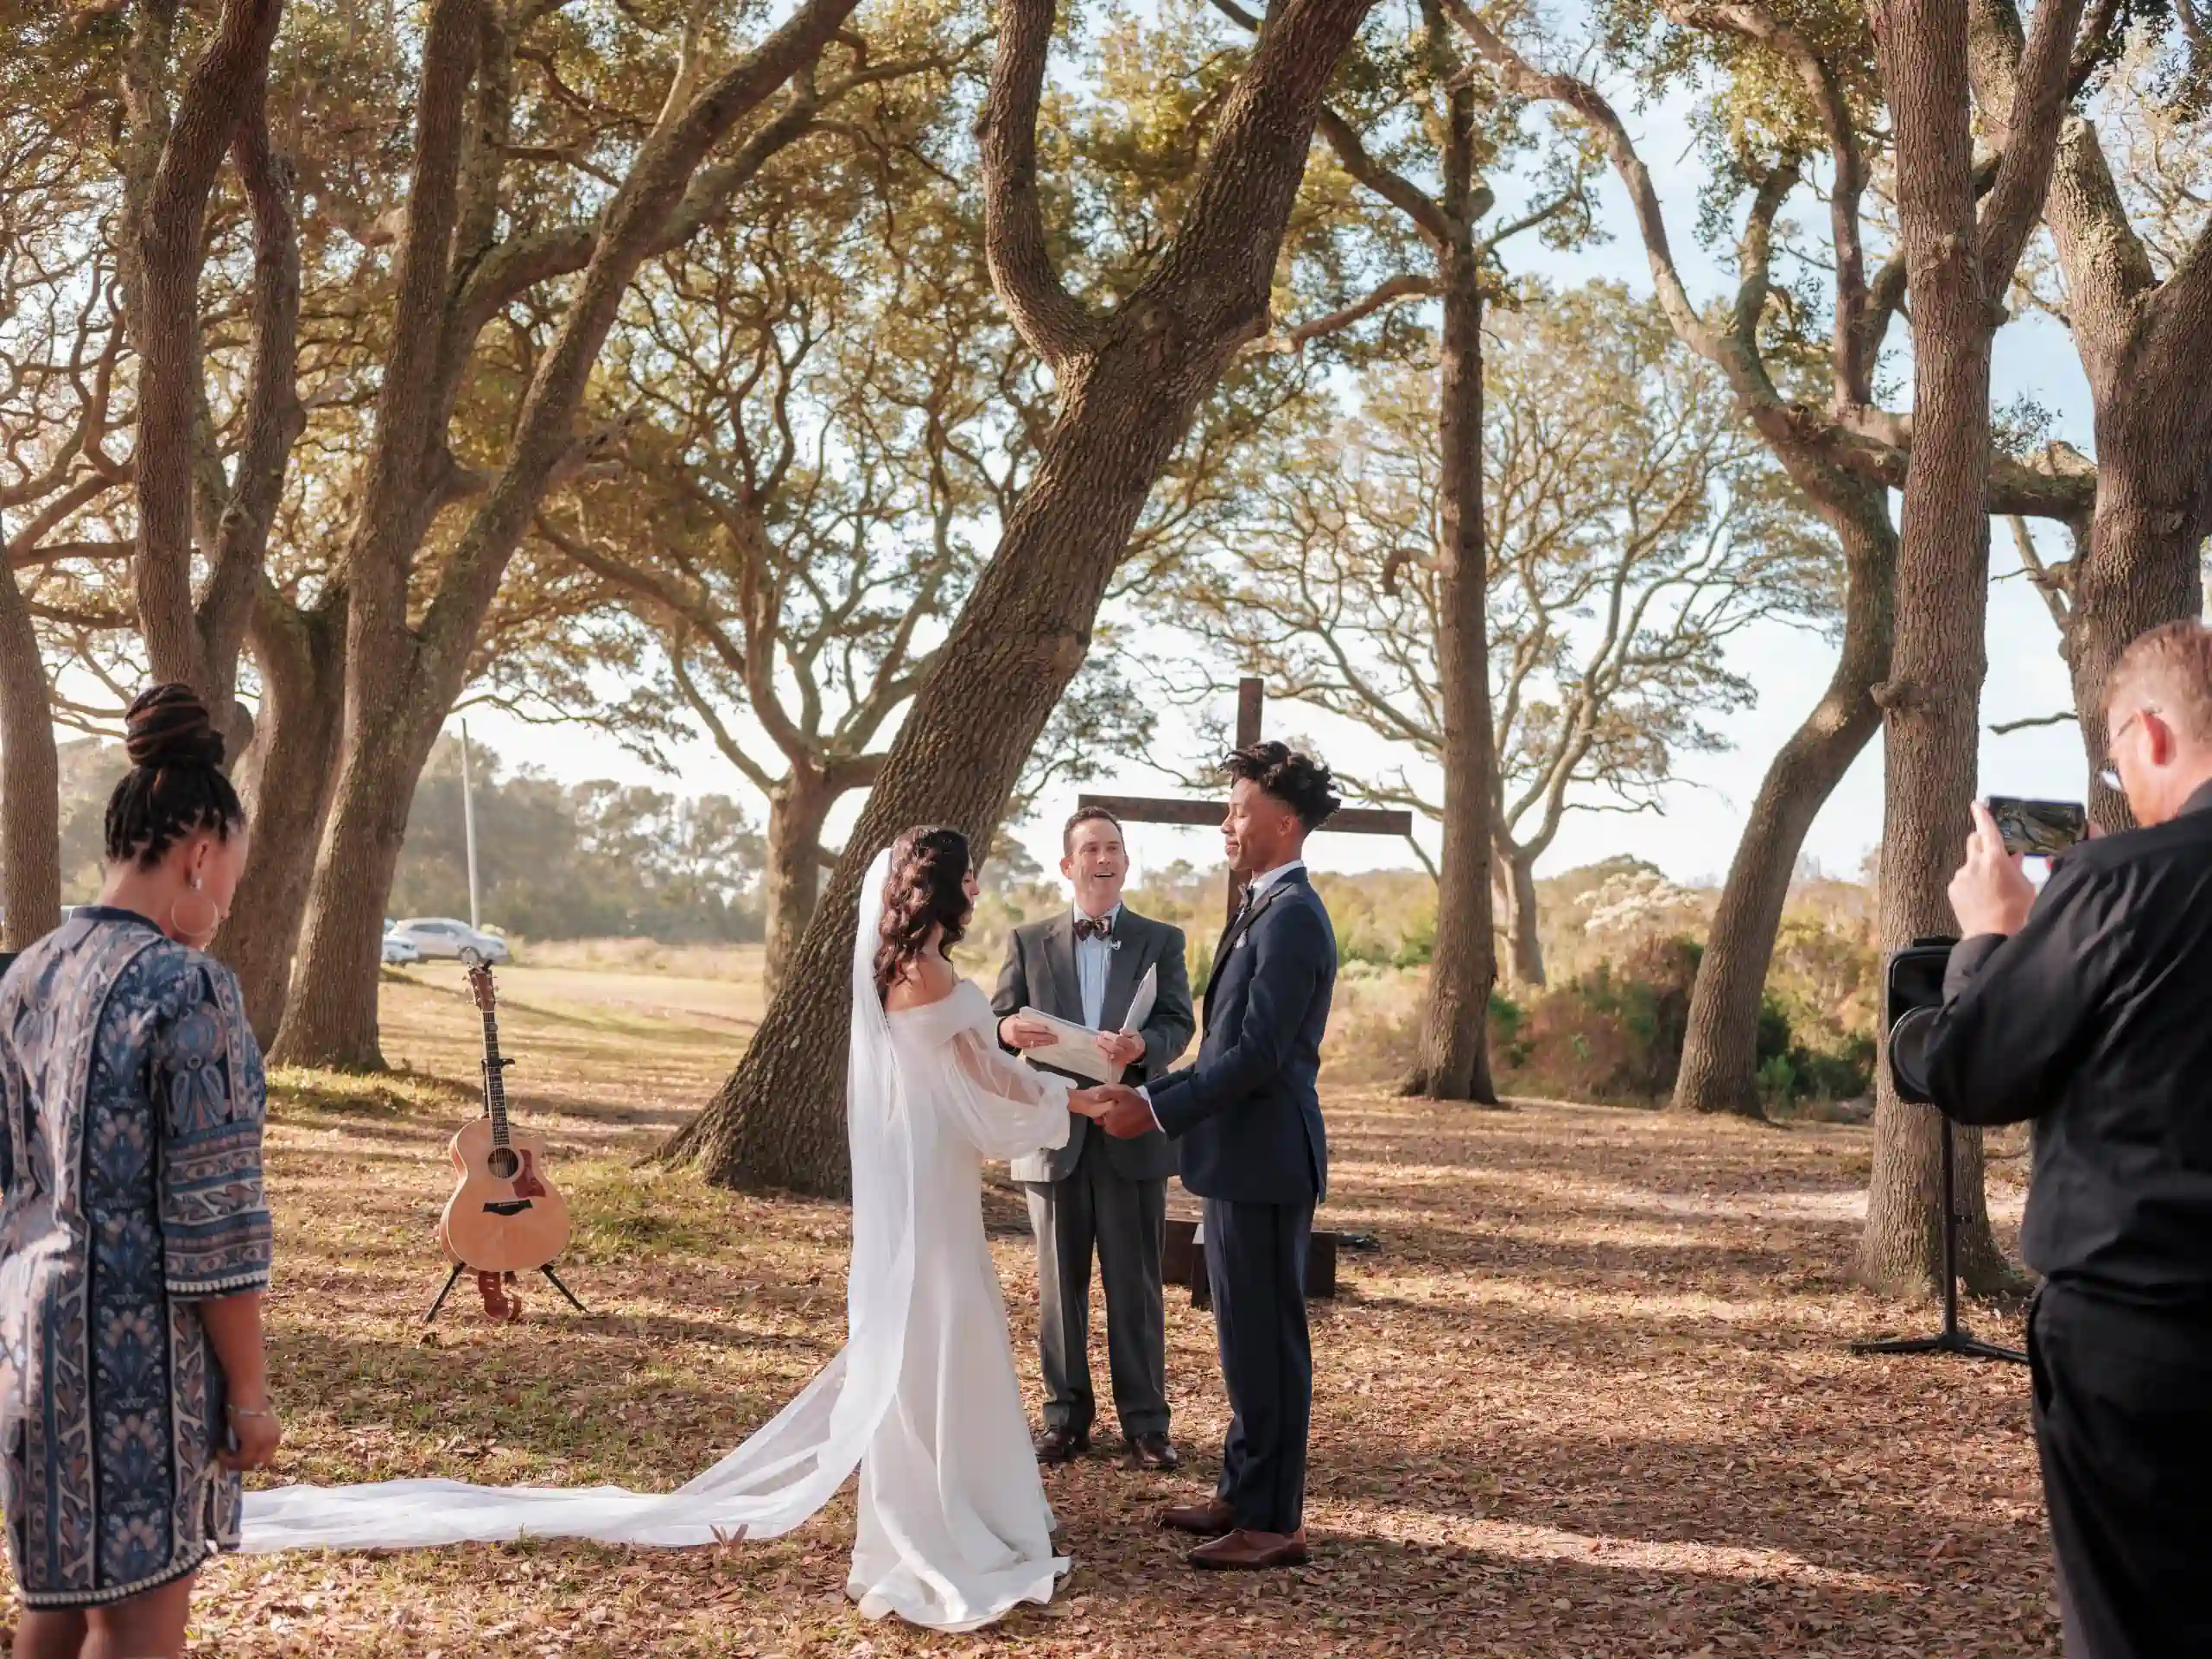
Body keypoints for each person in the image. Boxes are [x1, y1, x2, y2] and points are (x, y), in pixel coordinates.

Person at [241, 825, 1118, 1634]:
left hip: (926, 1167)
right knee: (947, 1324)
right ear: (939, 889)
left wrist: (1034, 1072)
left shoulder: (897, 970)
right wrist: (1071, 1096)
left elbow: (972, 1073)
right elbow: (987, 1087)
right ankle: (957, 1522)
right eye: (966, 870)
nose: (974, 881)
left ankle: (934, 1510)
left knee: (932, 1328)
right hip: (933, 1180)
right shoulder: (932, 978)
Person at [1927, 619, 2212, 1657]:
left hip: (2144, 1339)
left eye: (2114, 757)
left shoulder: (2118, 883)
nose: (2118, 782)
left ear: (2152, 733)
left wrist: (1994, 937)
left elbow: (1975, 1073)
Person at [1, 683, 279, 1659]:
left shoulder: (28, 972)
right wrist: (248, 1392)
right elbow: (217, 1218)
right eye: (230, 882)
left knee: (61, 1599)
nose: (223, 908)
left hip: (30, 1339)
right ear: (200, 856)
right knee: (139, 1615)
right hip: (141, 1358)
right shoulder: (189, 987)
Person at [1092, 741, 1339, 1572]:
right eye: (1229, 808)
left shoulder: (1297, 915)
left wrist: (1155, 1106)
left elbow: (1261, 1055)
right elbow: (1226, 1042)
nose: (1227, 822)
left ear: (1286, 820)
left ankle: (1276, 1523)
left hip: (1269, 1161)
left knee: (1268, 1342)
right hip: (1238, 1158)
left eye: (1239, 809)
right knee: (1241, 1337)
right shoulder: (1262, 906)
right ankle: (1242, 1492)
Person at [994, 806, 1195, 1471]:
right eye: (1090, 849)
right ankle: (1064, 1419)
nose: (1103, 859)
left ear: (1126, 862)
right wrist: (1007, 1033)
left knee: (1135, 1285)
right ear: (1067, 865)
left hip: (1128, 1127)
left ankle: (1146, 1425)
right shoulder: (1027, 941)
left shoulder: (1161, 939)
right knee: (1059, 1287)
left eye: (1113, 848)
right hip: (1052, 1134)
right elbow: (995, 1024)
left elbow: (1177, 1023)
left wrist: (1145, 1045)